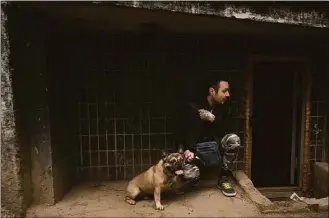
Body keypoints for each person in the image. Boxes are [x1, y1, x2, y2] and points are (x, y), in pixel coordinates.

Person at [174, 79, 241, 197]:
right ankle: (193, 178)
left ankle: (224, 178)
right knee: (189, 176)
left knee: (234, 140)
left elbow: (229, 129)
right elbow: (180, 131)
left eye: (228, 91)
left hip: (216, 149)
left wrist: (213, 119)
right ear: (212, 91)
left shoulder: (224, 107)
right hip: (195, 152)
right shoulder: (193, 108)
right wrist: (184, 150)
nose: (228, 95)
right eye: (224, 91)